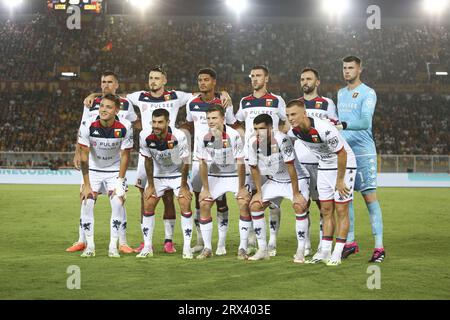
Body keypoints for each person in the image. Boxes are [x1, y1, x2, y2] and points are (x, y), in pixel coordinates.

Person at [67, 71, 136, 254]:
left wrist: (121, 181)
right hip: (94, 168)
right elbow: (84, 150)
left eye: (109, 82)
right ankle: (87, 244)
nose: (104, 109)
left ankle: (118, 244)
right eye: (102, 106)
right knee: (87, 202)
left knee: (118, 202)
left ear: (117, 110)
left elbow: (126, 154)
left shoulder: (126, 118)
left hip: (114, 169)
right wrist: (87, 184)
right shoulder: (89, 114)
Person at [286, 99, 356, 266]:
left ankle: (337, 253)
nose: (290, 118)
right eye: (288, 115)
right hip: (324, 167)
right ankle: (324, 251)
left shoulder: (324, 129)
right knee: (325, 209)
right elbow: (281, 134)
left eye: (294, 114)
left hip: (344, 166)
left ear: (304, 113)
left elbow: (342, 154)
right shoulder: (294, 131)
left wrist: (340, 180)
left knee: (341, 210)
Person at [336, 56, 385, 263]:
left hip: (364, 152)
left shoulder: (368, 92)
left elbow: (365, 121)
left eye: (351, 68)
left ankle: (379, 247)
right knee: (346, 200)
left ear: (360, 69)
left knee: (369, 198)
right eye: (345, 68)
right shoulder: (340, 93)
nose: (347, 71)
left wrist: (343, 125)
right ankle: (350, 242)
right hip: (346, 153)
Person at [235, 65, 288, 257]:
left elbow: (286, 119)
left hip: (271, 158)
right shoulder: (245, 102)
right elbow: (237, 122)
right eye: (253, 76)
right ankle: (251, 240)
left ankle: (272, 241)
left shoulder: (276, 100)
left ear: (267, 78)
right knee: (249, 200)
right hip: (252, 156)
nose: (255, 79)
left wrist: (282, 137)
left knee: (273, 203)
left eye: (259, 76)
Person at [184, 68, 237, 256]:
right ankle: (201, 240)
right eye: (200, 80)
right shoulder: (192, 103)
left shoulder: (224, 101)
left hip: (220, 156)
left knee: (221, 200)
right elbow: (190, 124)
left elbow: (231, 124)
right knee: (200, 200)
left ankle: (221, 243)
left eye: (206, 79)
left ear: (214, 82)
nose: (202, 83)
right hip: (200, 156)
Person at [248, 114, 310, 262]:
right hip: (276, 180)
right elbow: (254, 168)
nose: (258, 132)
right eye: (255, 129)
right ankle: (263, 249)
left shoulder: (282, 139)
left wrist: (295, 194)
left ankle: (301, 250)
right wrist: (259, 192)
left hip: (297, 179)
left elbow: (291, 167)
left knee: (299, 206)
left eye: (262, 128)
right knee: (255, 206)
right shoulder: (252, 142)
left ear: (271, 128)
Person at [137, 108, 194, 259]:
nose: (156, 125)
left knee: (184, 201)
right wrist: (150, 185)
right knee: (148, 202)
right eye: (154, 122)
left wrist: (183, 185)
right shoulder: (144, 135)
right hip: (158, 174)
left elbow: (185, 161)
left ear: (168, 122)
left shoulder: (180, 136)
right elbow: (148, 160)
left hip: (177, 174)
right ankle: (147, 247)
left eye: (160, 122)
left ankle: (187, 248)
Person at [195, 105, 250, 260]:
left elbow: (240, 161)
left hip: (234, 174)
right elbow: (203, 163)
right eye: (208, 118)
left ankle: (243, 248)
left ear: (223, 119)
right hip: (216, 174)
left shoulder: (233, 135)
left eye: (214, 118)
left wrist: (241, 188)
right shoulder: (203, 136)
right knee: (204, 203)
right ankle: (207, 248)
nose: (211, 121)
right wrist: (205, 189)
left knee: (243, 203)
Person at [295, 67, 339, 256]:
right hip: (301, 164)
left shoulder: (326, 103)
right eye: (302, 79)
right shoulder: (295, 105)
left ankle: (324, 244)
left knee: (324, 206)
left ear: (317, 82)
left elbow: (335, 128)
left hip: (323, 163)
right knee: (302, 205)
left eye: (309, 79)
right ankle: (305, 246)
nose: (305, 82)